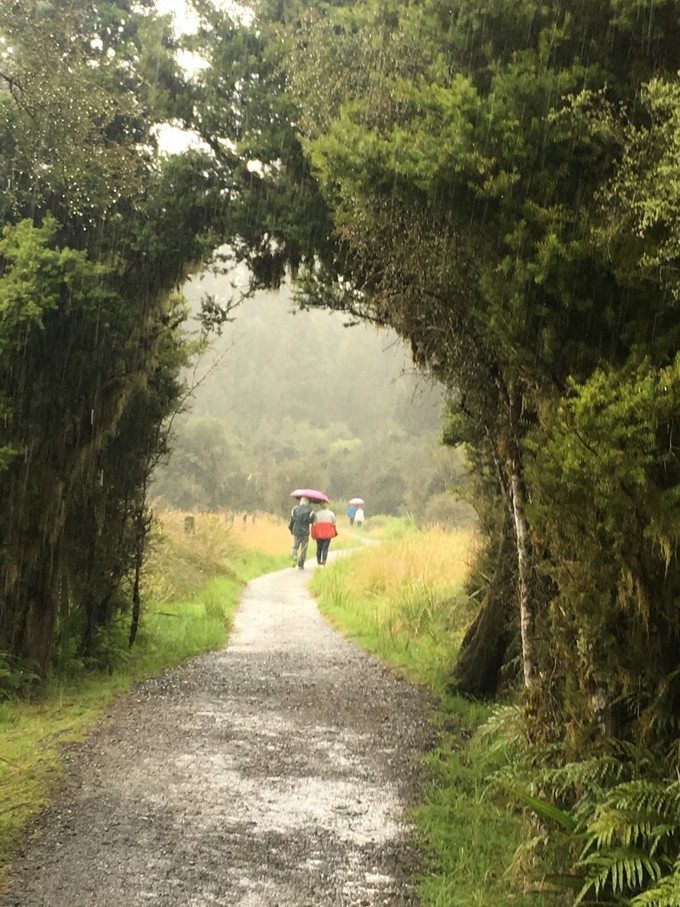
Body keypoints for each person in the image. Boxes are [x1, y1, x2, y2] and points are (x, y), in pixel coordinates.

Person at [288, 496, 315, 569]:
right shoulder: (310, 510)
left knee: (295, 547)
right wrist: (312, 515)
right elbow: (311, 521)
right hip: (305, 532)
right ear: (307, 502)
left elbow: (292, 521)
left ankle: (294, 556)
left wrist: (291, 529)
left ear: (301, 501)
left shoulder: (294, 509)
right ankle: (300, 565)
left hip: (296, 530)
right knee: (304, 549)